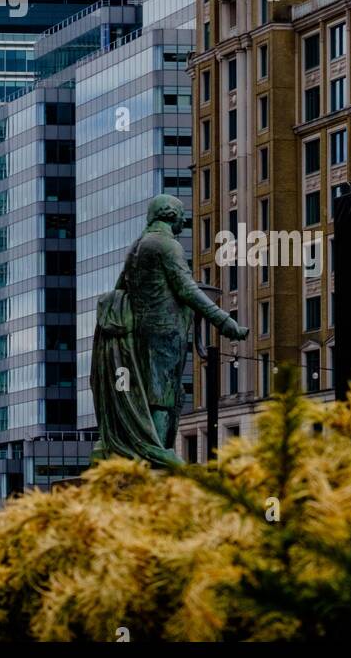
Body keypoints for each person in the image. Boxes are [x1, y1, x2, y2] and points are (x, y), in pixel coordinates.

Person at [90, 193, 248, 466]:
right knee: (162, 393)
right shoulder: (166, 245)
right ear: (171, 215)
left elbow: (121, 288)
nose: (184, 221)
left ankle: (147, 450)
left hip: (138, 332)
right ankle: (156, 452)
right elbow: (187, 289)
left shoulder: (137, 247)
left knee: (148, 390)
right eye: (182, 215)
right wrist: (224, 321)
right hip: (165, 330)